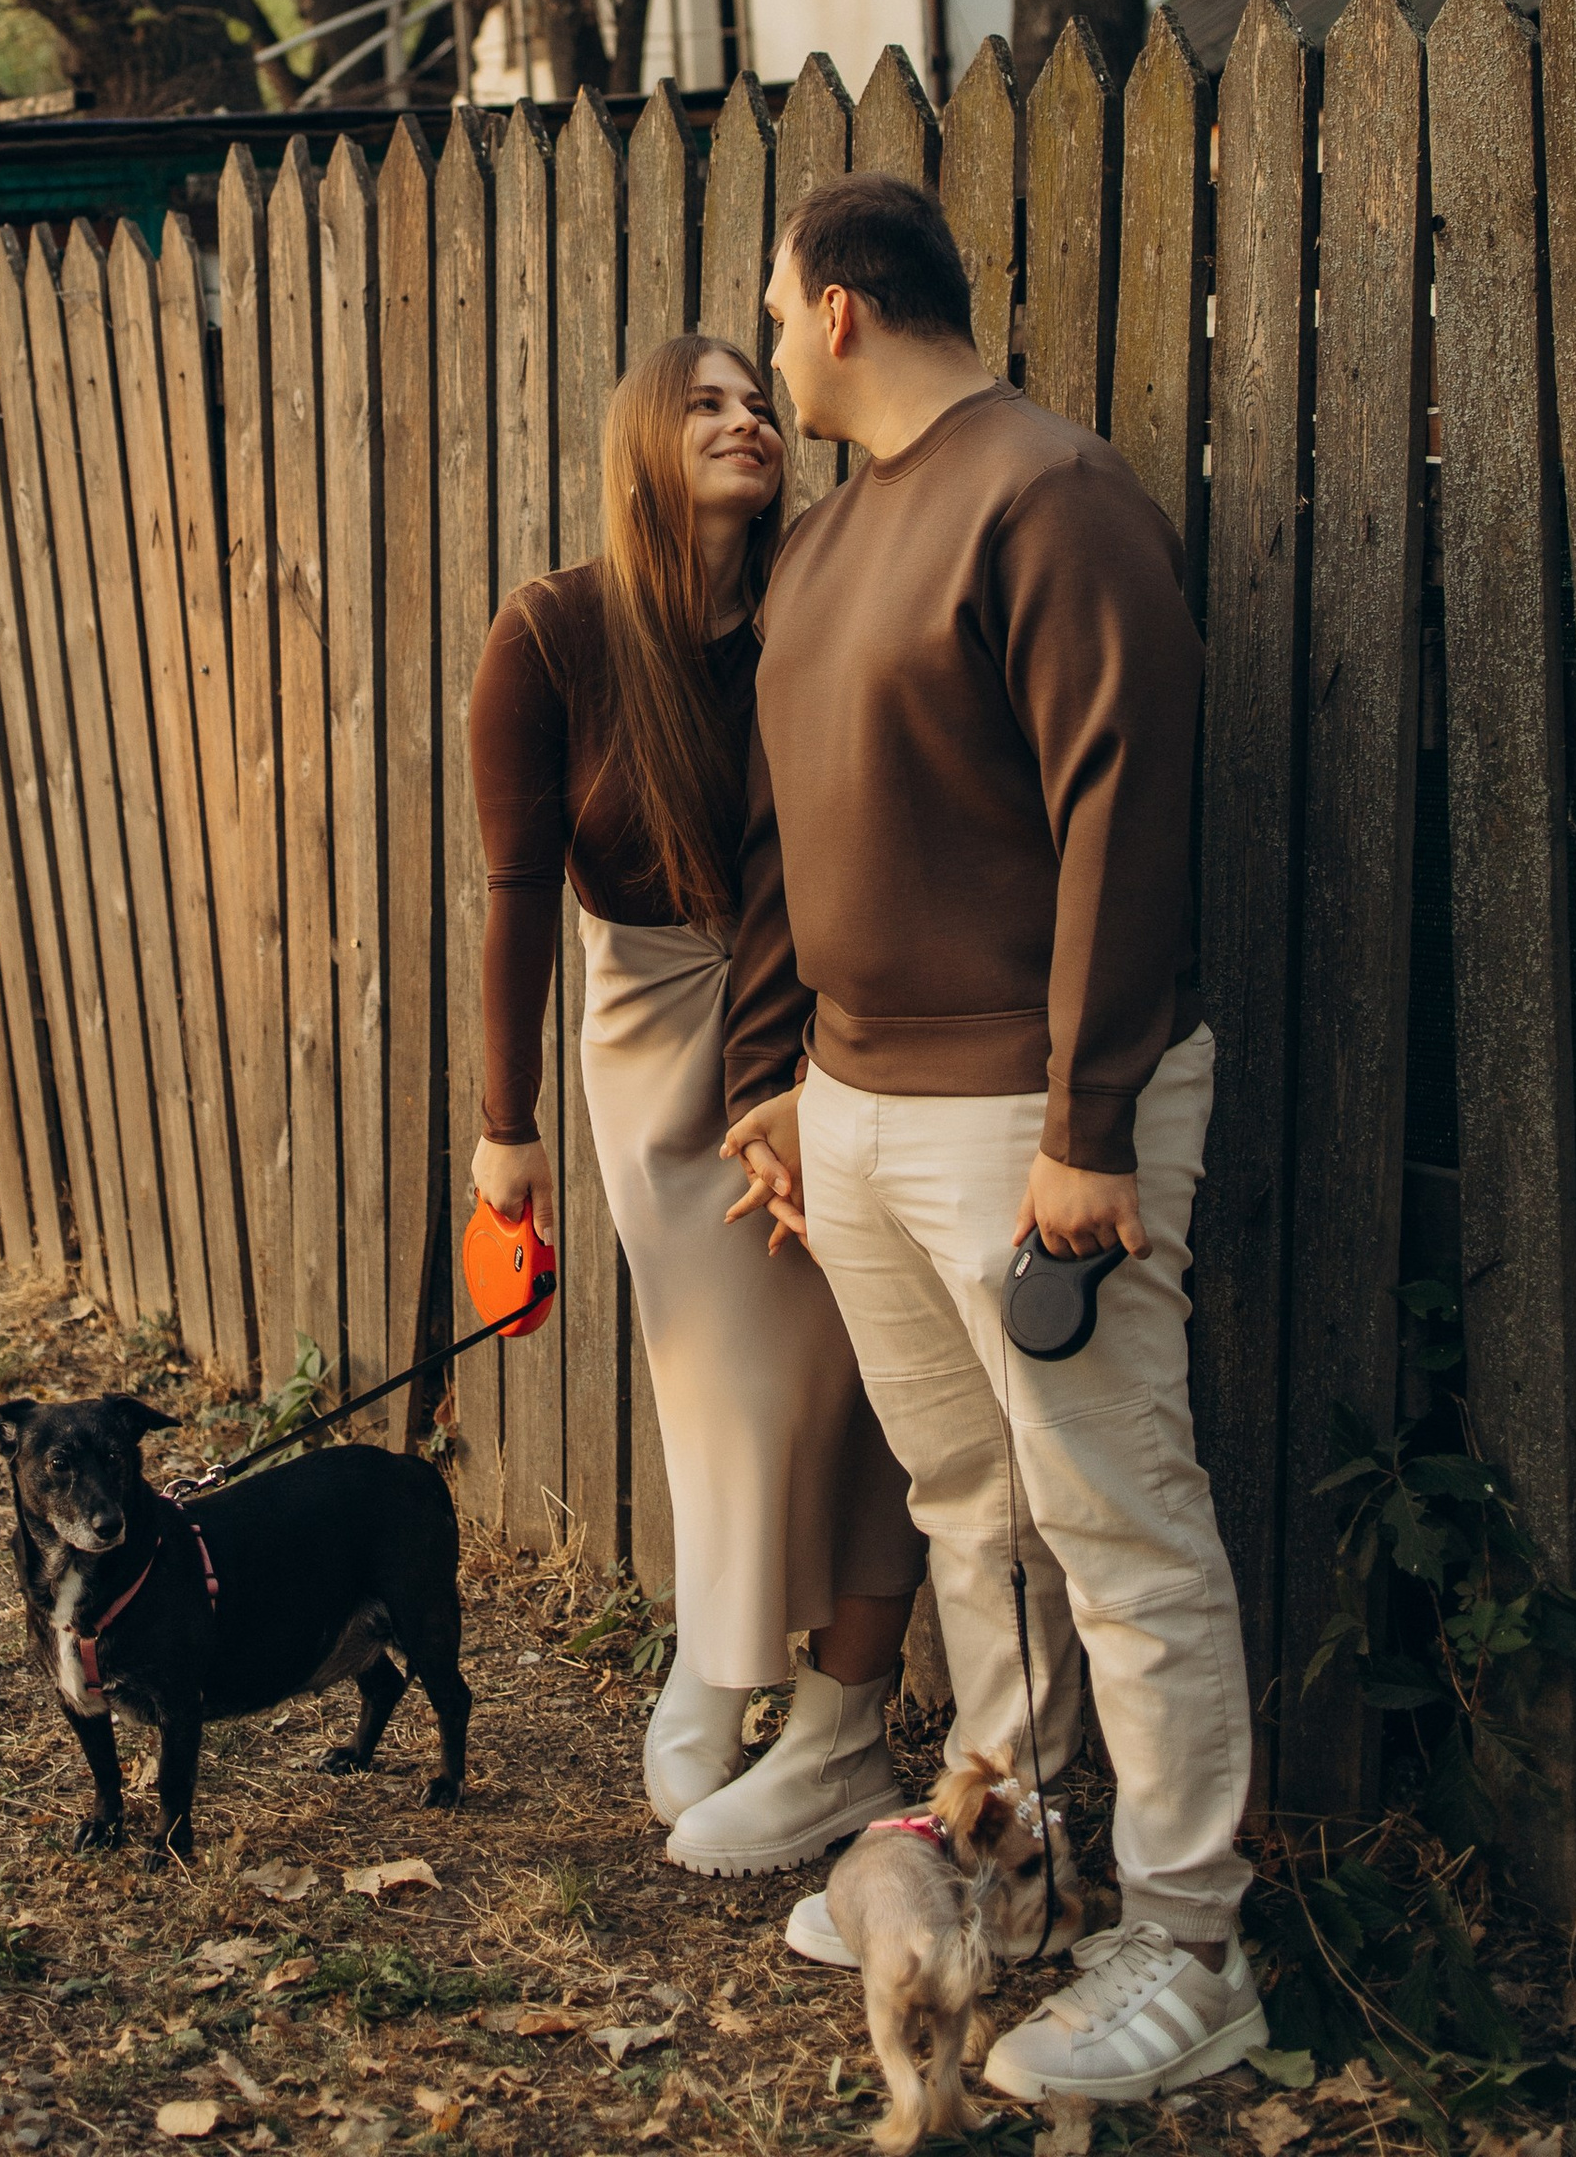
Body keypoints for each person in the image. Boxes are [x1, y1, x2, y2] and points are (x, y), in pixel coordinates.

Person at [720, 173, 1267, 2108]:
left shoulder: (1054, 497)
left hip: (1034, 1122)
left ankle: (1193, 1945)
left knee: (1118, 1520)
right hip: (859, 1110)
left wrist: (1091, 1118)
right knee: (970, 1505)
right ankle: (1017, 1874)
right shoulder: (828, 541)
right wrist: (779, 1078)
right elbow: (788, 826)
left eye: (775, 312)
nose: (771, 350)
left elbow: (1125, 800)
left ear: (841, 307)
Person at [469, 332, 924, 1878]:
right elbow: (518, 892)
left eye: (757, 402)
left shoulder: (815, 593)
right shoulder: (553, 633)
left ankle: (837, 1713)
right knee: (727, 1377)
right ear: (644, 444)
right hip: (653, 1034)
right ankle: (722, 1661)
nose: (746, 421)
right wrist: (506, 1122)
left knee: (866, 1365)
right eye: (707, 404)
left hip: (826, 1018)